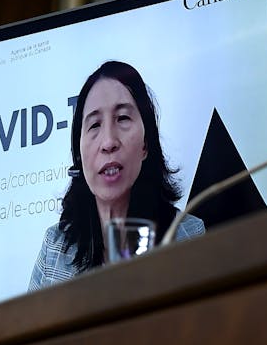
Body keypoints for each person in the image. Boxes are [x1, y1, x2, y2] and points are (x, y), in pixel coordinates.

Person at [29, 61, 204, 290]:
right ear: (79, 156)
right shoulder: (54, 248)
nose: (109, 142)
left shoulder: (188, 236)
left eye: (122, 118)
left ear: (146, 144)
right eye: (94, 125)